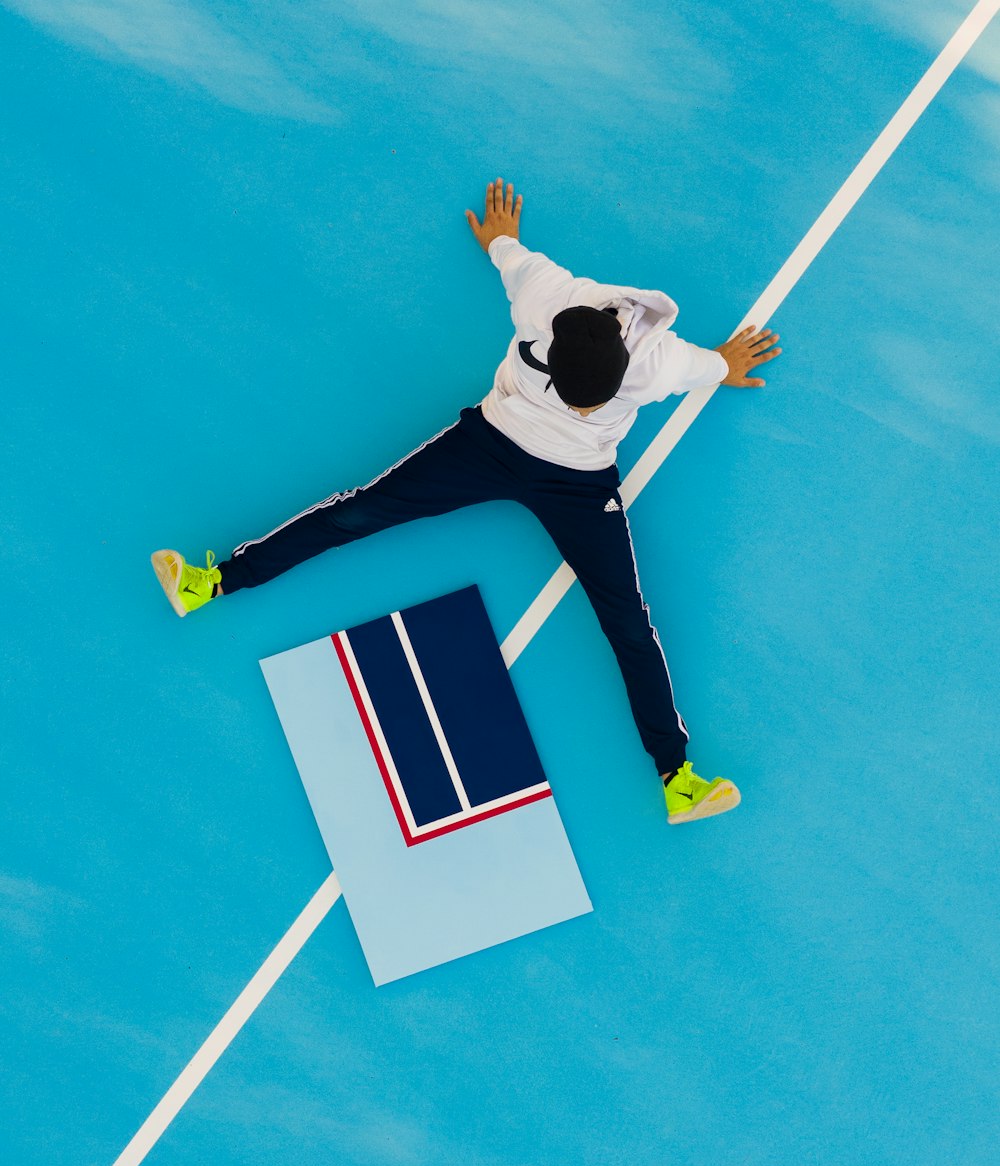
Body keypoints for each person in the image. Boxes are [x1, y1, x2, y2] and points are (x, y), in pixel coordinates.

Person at [152, 176, 781, 824]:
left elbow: (710, 367)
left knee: (627, 618)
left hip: (579, 482)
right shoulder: (548, 297)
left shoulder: (660, 359)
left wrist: (727, 364)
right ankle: (210, 582)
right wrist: (501, 238)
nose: (586, 403)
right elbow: (514, 259)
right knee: (359, 508)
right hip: (489, 443)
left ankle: (676, 775)